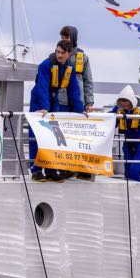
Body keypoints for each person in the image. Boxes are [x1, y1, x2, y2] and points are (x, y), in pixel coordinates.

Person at [28, 39, 85, 182]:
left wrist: (80, 111)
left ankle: (51, 170)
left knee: (54, 137)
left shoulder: (69, 68)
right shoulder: (45, 65)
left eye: (62, 53)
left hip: (54, 101)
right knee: (37, 136)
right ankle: (36, 171)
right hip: (39, 102)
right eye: (57, 52)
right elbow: (42, 87)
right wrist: (44, 108)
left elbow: (74, 91)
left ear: (68, 54)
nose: (59, 55)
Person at [110, 85, 140, 181]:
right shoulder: (118, 108)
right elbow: (110, 118)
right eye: (122, 103)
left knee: (136, 169)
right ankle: (128, 192)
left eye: (127, 103)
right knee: (128, 170)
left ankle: (136, 189)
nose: (125, 105)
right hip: (128, 141)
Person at [59, 25, 93, 109]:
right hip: (60, 102)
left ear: (73, 38)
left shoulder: (83, 57)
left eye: (66, 37)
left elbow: (88, 81)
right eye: (62, 38)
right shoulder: (56, 56)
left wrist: (89, 103)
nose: (64, 40)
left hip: (79, 102)